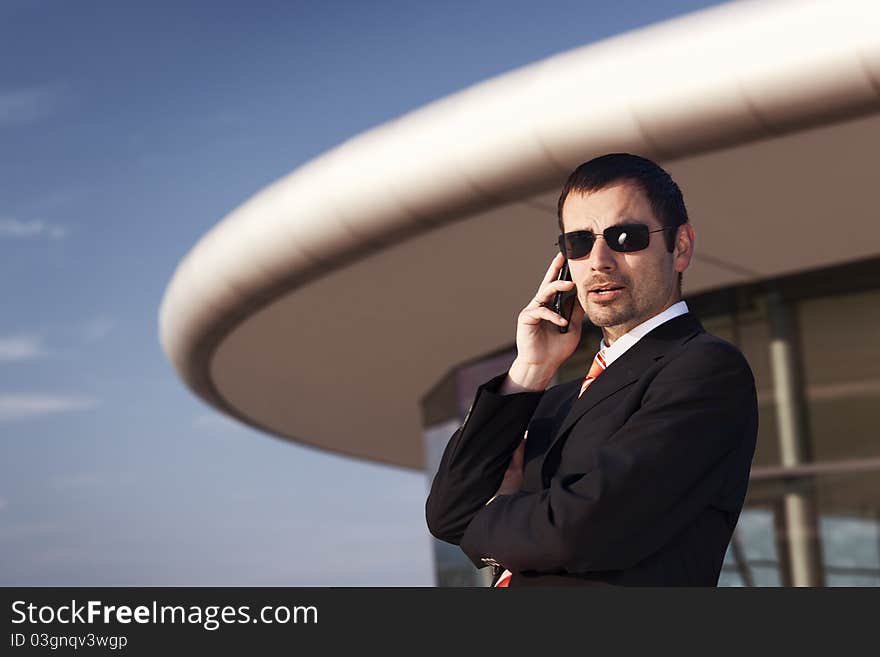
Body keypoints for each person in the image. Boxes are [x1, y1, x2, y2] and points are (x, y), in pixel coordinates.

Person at [425, 153, 758, 586]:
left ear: (680, 247)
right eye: (578, 242)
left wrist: (490, 516)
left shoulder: (705, 369)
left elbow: (581, 531)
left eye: (625, 237)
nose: (599, 261)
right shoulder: (551, 401)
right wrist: (529, 370)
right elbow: (447, 512)